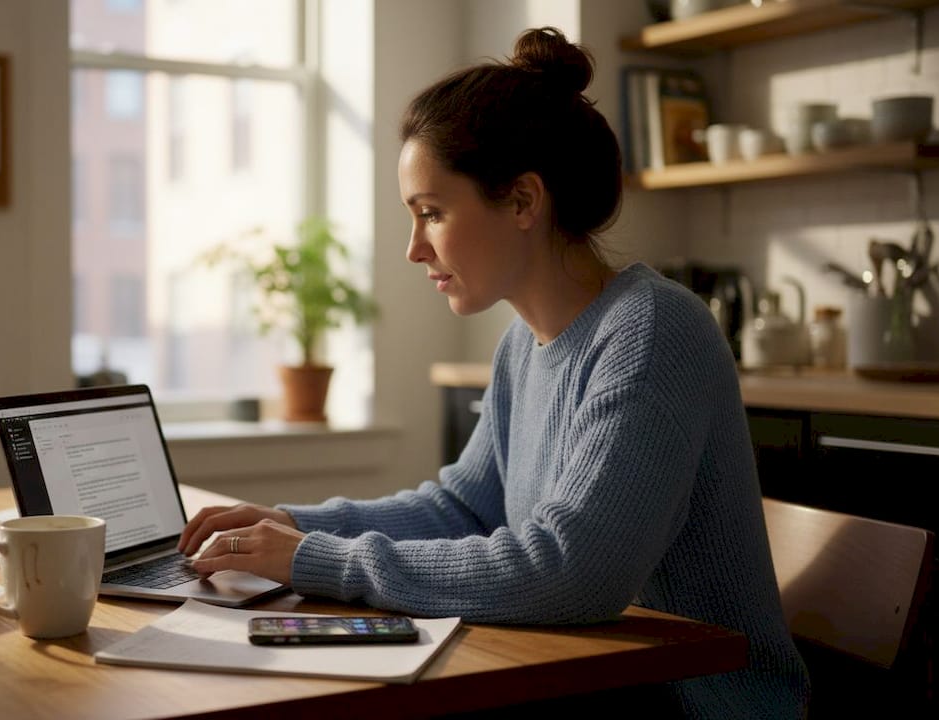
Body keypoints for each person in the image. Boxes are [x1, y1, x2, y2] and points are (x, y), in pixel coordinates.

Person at [178, 27, 810, 719]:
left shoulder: (653, 332)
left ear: (521, 202)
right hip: (592, 679)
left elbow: (573, 574)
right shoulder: (524, 344)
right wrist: (291, 524)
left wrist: (314, 558)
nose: (415, 248)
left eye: (432, 213)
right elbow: (464, 509)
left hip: (700, 703)